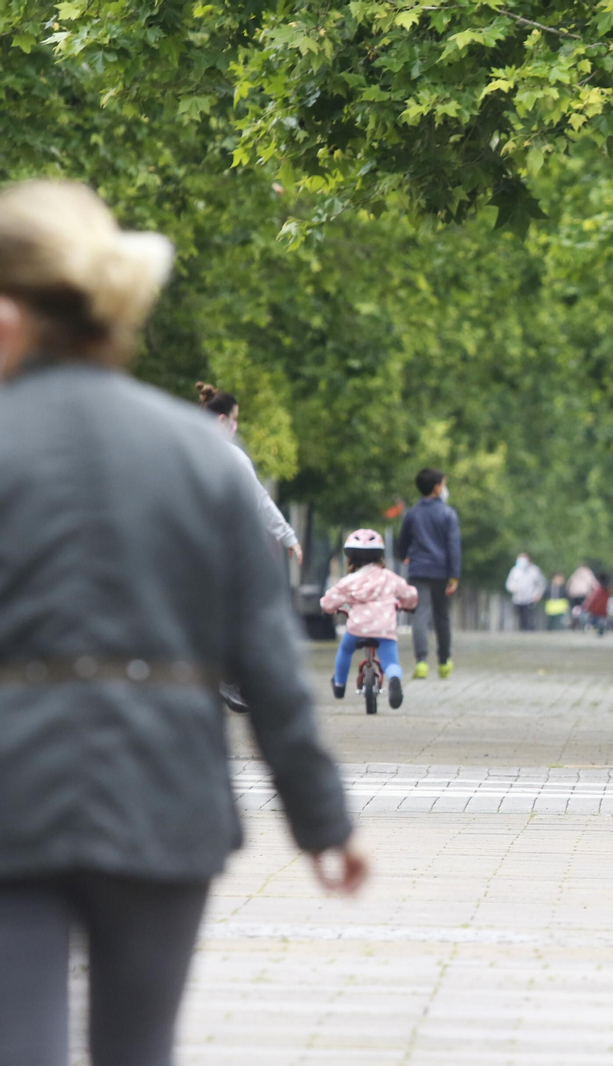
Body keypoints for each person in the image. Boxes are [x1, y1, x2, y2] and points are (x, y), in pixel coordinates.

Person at [0, 179, 366, 1066]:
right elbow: (268, 664)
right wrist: (322, 823)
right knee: (140, 1048)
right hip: (164, 792)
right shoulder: (202, 457)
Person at [196, 382, 303, 568]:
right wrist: (288, 536)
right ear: (223, 420)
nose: (235, 425)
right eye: (234, 419)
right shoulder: (232, 457)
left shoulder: (180, 450)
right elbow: (259, 502)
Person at [321, 529, 418, 708]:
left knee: (345, 650)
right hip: (384, 628)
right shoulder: (389, 578)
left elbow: (328, 602)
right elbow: (409, 594)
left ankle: (340, 685)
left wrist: (331, 608)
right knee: (390, 661)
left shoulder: (349, 581)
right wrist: (408, 605)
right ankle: (394, 679)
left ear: (350, 558)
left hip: (357, 628)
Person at [396, 467, 460, 679]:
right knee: (442, 616)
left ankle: (421, 661)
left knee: (420, 615)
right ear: (436, 488)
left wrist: (403, 555)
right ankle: (443, 662)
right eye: (443, 484)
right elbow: (453, 547)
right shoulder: (448, 514)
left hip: (418, 570)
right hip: (442, 572)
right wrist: (454, 575)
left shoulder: (412, 513)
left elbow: (402, 542)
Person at [505, 552, 547, 631]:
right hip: (518, 599)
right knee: (520, 617)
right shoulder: (515, 570)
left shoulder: (534, 570)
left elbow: (541, 583)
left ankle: (530, 633)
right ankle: (522, 633)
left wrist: (538, 594)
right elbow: (508, 583)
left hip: (530, 599)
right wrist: (513, 588)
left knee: (529, 617)